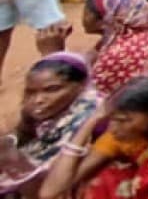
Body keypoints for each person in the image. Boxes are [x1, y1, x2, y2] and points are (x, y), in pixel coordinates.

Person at [0, 53, 100, 197]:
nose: (38, 100)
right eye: (30, 92)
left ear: (81, 85)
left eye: (52, 89)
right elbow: (22, 136)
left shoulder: (93, 123)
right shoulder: (51, 118)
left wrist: (12, 160)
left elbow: (50, 192)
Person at [83, 0, 148, 96]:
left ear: (104, 19)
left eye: (87, 12)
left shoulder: (121, 52)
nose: (84, 17)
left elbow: (89, 93)